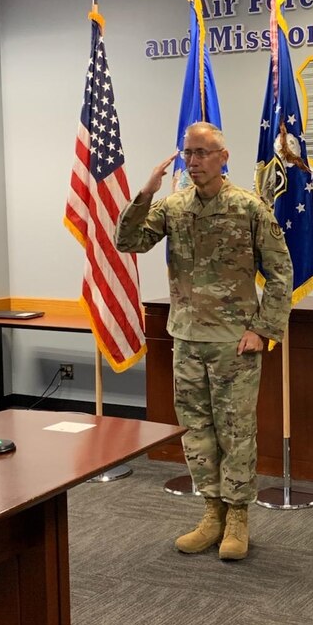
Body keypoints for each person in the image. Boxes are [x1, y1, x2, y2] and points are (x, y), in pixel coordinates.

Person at [115, 122, 293, 561]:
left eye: (201, 153)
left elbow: (281, 273)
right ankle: (211, 512)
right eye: (188, 153)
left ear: (222, 157)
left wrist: (262, 330)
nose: (193, 161)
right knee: (196, 431)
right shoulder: (173, 207)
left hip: (235, 342)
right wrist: (146, 193)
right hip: (188, 338)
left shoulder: (248, 207)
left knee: (236, 431)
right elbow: (128, 241)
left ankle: (237, 517)